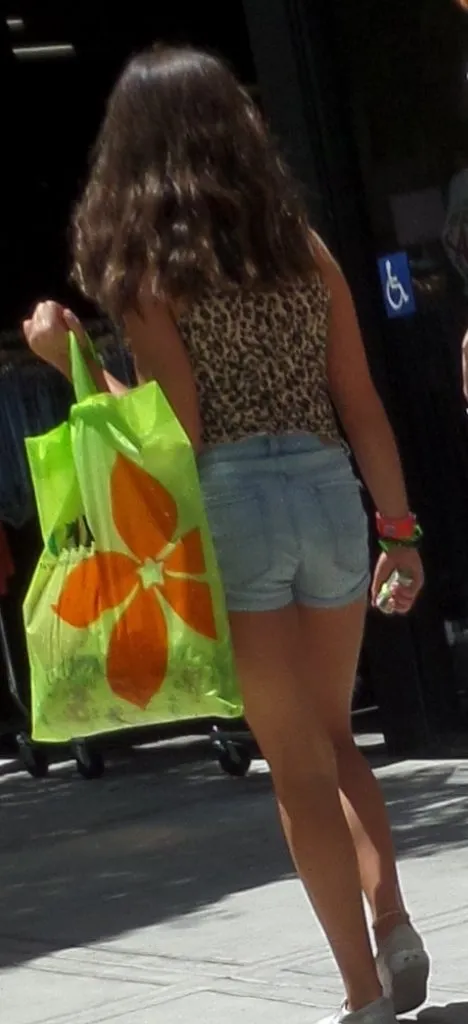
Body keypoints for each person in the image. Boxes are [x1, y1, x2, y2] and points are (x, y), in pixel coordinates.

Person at [23, 45, 428, 1024]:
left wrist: (69, 358)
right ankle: (394, 920)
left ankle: (362, 994)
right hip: (328, 495)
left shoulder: (153, 272)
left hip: (235, 508)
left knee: (296, 765)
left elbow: (178, 432)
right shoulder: (304, 248)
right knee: (337, 738)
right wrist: (400, 534)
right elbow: (362, 404)